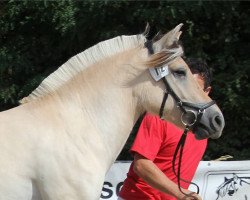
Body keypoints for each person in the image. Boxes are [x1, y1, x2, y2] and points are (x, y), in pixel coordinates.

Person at [118, 58, 212, 200]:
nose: (190, 95)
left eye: (196, 89)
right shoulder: (158, 117)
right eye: (186, 88)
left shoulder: (202, 129)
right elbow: (141, 165)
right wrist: (180, 193)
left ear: (207, 92)